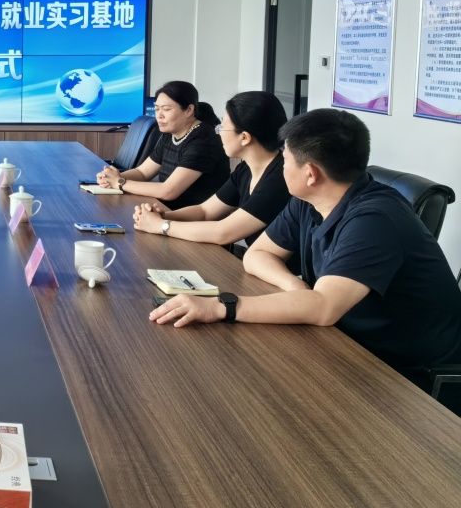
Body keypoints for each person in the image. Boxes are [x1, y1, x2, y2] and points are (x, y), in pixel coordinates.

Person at [150, 109, 461, 376]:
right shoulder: (309, 201)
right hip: (345, 343)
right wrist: (296, 287)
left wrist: (221, 307)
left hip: (409, 374)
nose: (281, 167)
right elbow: (258, 254)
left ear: (310, 173)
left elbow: (324, 307)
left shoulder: (376, 219)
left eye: (285, 160)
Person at [133, 91, 290, 247]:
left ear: (244, 138)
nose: (219, 133)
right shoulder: (245, 169)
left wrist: (160, 226)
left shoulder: (280, 178)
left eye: (222, 127)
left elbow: (223, 233)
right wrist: (162, 216)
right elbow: (205, 211)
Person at [97, 81, 230, 209]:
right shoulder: (170, 133)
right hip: (166, 208)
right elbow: (142, 172)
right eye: (157, 109)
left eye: (166, 109)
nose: (159, 116)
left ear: (189, 110)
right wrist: (111, 178)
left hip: (192, 217)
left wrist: (120, 182)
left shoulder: (203, 140)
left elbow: (168, 191)